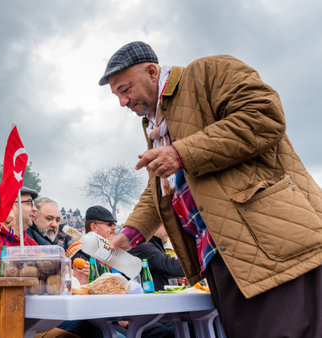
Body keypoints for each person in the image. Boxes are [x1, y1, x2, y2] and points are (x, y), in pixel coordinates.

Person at [100, 41, 322, 337]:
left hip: (272, 240)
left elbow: (264, 117)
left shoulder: (208, 72)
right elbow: (164, 189)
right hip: (224, 253)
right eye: (117, 95)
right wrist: (128, 235)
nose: (122, 102)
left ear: (152, 72)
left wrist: (181, 154)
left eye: (125, 89)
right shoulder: (156, 125)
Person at [128, 224, 184, 291]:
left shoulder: (154, 244)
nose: (170, 230)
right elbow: (169, 265)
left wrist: (173, 277)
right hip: (151, 298)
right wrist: (196, 265)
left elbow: (159, 270)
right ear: (153, 225)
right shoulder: (143, 245)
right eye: (165, 225)